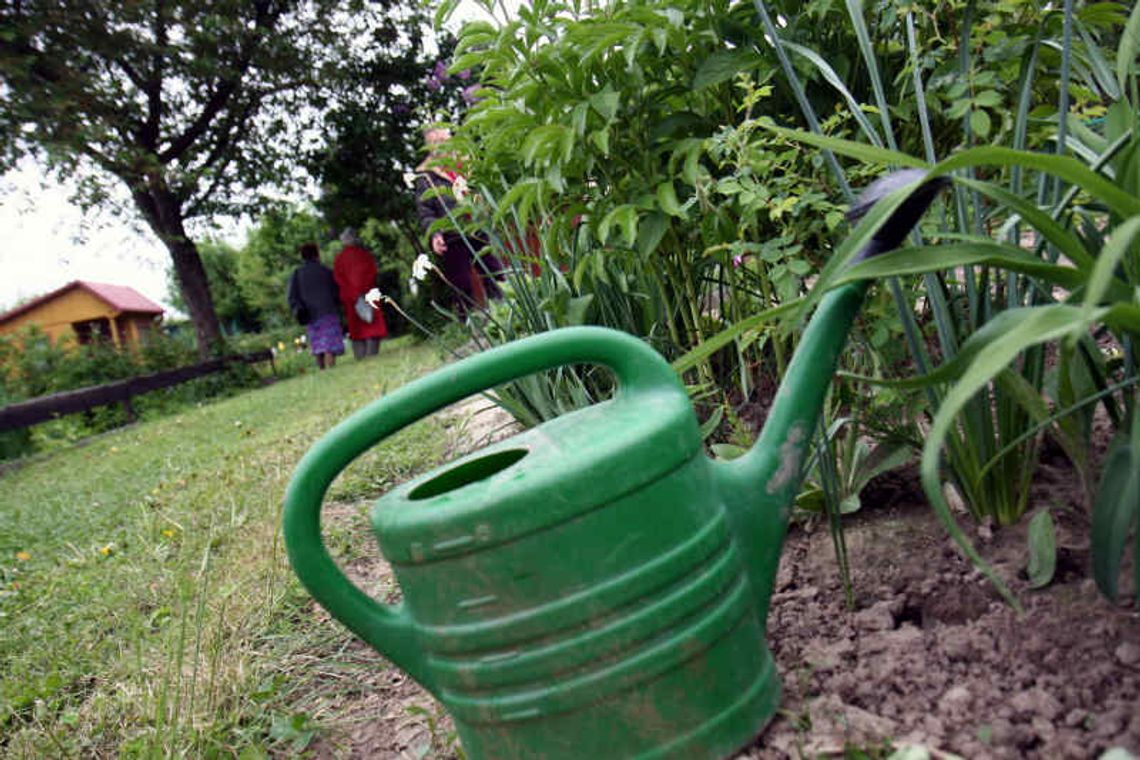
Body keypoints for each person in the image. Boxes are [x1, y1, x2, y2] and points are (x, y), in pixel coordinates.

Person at [413, 127, 503, 316]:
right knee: (461, 285)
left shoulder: (467, 162)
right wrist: (435, 234)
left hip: (477, 227)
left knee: (494, 273)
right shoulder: (425, 175)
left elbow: (483, 188)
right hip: (451, 235)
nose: (441, 145)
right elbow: (425, 212)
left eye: (444, 140)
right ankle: (469, 323)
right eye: (435, 142)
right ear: (429, 146)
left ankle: (506, 311)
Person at [287, 242, 344, 370]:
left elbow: (292, 296)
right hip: (328, 311)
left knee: (317, 345)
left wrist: (298, 309)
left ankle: (322, 369)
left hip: (310, 315)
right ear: (317, 255)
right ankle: (331, 369)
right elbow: (336, 291)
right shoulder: (326, 271)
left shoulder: (297, 273)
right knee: (329, 345)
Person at [333, 227, 388, 358]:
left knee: (356, 328)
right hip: (368, 294)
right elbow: (372, 273)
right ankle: (372, 354)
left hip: (351, 298)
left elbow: (339, 279)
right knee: (372, 324)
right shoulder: (365, 255)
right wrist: (363, 291)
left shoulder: (339, 259)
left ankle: (361, 356)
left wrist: (354, 294)